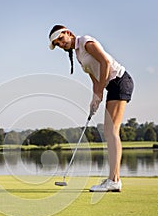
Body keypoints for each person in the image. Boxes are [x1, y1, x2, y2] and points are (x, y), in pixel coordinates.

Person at [48, 25, 134, 192]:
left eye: (60, 38)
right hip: (112, 86)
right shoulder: (79, 56)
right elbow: (95, 79)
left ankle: (114, 180)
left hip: (120, 81)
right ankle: (113, 179)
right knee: (110, 132)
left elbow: (105, 62)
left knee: (111, 132)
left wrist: (100, 91)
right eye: (57, 43)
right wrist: (95, 99)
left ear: (68, 33)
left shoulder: (86, 41)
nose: (60, 43)